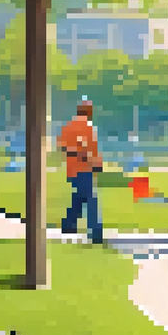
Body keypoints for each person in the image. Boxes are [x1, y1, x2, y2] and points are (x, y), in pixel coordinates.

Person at [57, 99, 105, 244]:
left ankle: (68, 225)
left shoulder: (69, 126)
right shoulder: (88, 127)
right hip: (84, 168)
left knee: (79, 197)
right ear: (88, 111)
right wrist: (96, 163)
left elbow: (62, 146)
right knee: (91, 198)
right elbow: (91, 149)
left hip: (73, 169)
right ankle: (95, 232)